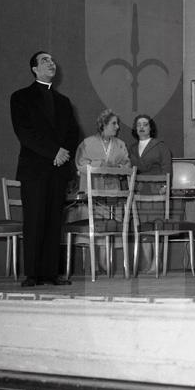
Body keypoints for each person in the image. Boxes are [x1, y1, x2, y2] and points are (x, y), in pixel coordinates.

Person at [10, 51, 79, 287]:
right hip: (35, 169)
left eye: (52, 60)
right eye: (44, 60)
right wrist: (54, 152)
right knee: (34, 220)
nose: (51, 63)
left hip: (58, 170)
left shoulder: (64, 101)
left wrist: (63, 154)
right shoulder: (20, 97)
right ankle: (32, 274)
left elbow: (73, 133)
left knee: (53, 222)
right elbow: (24, 132)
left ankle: (51, 273)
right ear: (34, 69)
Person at [74, 109, 131, 271]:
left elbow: (127, 164)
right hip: (92, 191)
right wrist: (100, 165)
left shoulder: (120, 144)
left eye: (117, 123)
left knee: (110, 226)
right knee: (94, 226)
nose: (117, 127)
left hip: (113, 193)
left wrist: (116, 168)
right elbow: (80, 164)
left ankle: (106, 264)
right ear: (103, 124)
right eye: (114, 123)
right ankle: (93, 266)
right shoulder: (87, 143)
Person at [127, 113, 172, 271]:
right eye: (138, 124)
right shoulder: (131, 149)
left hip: (156, 190)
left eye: (145, 124)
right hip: (139, 191)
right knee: (143, 228)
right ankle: (148, 262)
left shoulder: (160, 146)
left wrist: (164, 187)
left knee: (156, 226)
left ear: (150, 128)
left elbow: (167, 168)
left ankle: (156, 262)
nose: (141, 127)